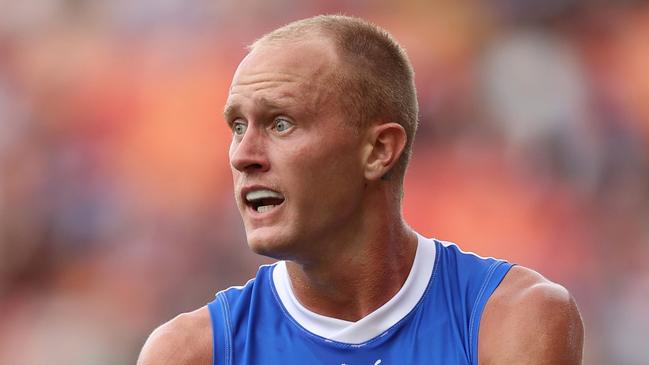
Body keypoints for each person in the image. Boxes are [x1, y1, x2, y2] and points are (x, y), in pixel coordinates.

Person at [137, 15, 584, 364]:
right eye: (238, 126)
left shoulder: (511, 320)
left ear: (378, 150)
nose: (242, 155)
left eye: (281, 123)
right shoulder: (191, 353)